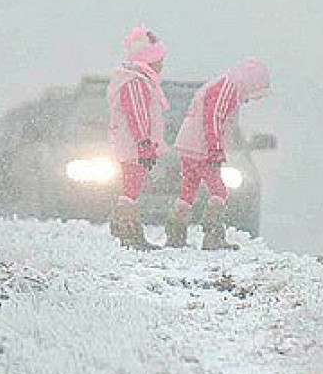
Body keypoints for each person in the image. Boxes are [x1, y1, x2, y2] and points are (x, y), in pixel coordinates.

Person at [165, 58, 270, 250]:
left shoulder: (218, 85)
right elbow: (214, 118)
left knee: (188, 191)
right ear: (250, 82)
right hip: (202, 148)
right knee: (219, 191)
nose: (248, 99)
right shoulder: (227, 88)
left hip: (187, 145)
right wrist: (215, 149)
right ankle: (213, 235)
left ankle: (175, 233)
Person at [106, 25, 169, 250]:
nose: (162, 64)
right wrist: (144, 142)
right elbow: (138, 114)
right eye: (160, 59)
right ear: (149, 59)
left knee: (132, 186)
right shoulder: (135, 81)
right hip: (134, 144)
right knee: (131, 187)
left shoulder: (136, 79)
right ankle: (129, 231)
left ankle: (124, 228)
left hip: (134, 143)